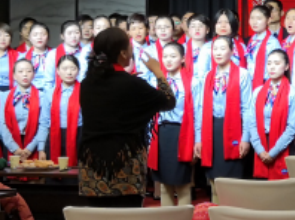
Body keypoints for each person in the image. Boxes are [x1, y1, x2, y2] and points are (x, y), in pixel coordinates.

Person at [79, 27, 176, 207]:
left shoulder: (86, 83)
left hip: (92, 164)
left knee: (96, 217)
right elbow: (168, 101)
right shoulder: (132, 84)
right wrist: (158, 72)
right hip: (125, 163)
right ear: (123, 53)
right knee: (126, 217)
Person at [194, 36, 254, 202]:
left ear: (232, 51)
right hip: (211, 130)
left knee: (232, 182)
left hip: (234, 129)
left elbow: (247, 108)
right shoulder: (208, 76)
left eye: (222, 48)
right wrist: (198, 138)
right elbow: (200, 108)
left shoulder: (242, 74)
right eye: (215, 49)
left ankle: (232, 214)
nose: (218, 52)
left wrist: (246, 138)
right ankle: (216, 212)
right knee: (214, 179)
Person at [148, 42, 194, 207]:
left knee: (182, 182)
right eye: (165, 56)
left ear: (182, 59)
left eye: (173, 56)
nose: (168, 60)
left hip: (181, 132)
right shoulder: (158, 80)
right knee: (164, 183)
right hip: (161, 132)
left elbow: (197, 111)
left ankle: (184, 219)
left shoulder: (192, 81)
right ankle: (166, 219)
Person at [250, 50, 295, 180]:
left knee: (281, 188)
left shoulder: (293, 94)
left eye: (277, 63)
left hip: (282, 146)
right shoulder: (258, 92)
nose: (272, 67)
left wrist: (273, 152)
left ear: (286, 66)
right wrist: (260, 150)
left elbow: (292, 128)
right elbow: (252, 123)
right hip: (261, 145)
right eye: (269, 63)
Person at [2, 59, 47, 161]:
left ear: (34, 74)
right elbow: (2, 124)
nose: (25, 74)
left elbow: (43, 125)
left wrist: (30, 148)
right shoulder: (5, 96)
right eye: (20, 71)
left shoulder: (42, 96)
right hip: (11, 143)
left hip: (34, 143)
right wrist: (15, 148)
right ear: (14, 75)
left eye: (28, 71)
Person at [42, 55, 83, 166]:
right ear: (58, 71)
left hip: (78, 136)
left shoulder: (85, 92)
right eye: (64, 69)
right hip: (54, 136)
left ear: (78, 70)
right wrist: (41, 147)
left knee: (75, 170)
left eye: (73, 68)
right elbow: (44, 121)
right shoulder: (50, 93)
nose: (69, 72)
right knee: (55, 170)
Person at [245, 5, 282, 91]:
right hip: (249, 83)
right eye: (252, 18)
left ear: (268, 20)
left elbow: (277, 66)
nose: (254, 22)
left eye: (259, 18)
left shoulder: (272, 42)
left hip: (266, 84)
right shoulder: (251, 40)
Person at [43, 21, 83, 92]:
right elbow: (48, 81)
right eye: (69, 33)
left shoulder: (85, 53)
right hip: (59, 94)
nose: (73, 36)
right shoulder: (53, 54)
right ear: (62, 36)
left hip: (81, 92)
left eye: (77, 33)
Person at [185, 14, 213, 85]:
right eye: (193, 26)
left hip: (209, 83)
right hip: (189, 85)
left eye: (200, 26)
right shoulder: (182, 49)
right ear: (189, 30)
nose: (197, 29)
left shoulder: (213, 48)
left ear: (207, 30)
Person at [24, 22, 52, 91]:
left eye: (43, 34)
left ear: (48, 37)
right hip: (30, 91)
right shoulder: (22, 57)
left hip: (51, 90)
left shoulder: (55, 55)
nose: (39, 37)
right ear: (29, 38)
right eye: (35, 35)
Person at [127, 14, 153, 80]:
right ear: (129, 32)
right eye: (133, 29)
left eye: (140, 28)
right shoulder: (125, 48)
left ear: (147, 30)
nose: (138, 32)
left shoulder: (153, 47)